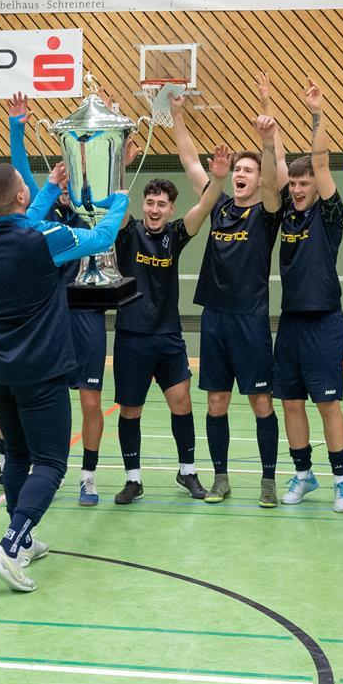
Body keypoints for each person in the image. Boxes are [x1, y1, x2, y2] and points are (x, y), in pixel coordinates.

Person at [0, 159, 128, 592]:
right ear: (20, 196)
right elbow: (101, 237)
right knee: (52, 461)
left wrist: (46, 188)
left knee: (18, 454)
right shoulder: (45, 240)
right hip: (38, 367)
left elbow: (23, 220)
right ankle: (8, 547)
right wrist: (118, 202)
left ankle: (21, 539)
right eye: (27, 187)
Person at [174, 78, 285, 505]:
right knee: (216, 401)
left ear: (258, 180)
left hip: (251, 318)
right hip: (215, 317)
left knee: (260, 402)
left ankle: (269, 480)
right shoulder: (217, 202)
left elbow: (277, 180)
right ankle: (220, 477)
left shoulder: (268, 211)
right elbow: (188, 159)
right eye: (237, 170)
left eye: (247, 171)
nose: (240, 175)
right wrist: (179, 114)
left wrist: (268, 137)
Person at [6, 92, 112, 506]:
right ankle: (33, 463)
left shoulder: (97, 209)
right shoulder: (45, 210)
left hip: (85, 314)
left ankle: (88, 475)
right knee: (39, 395)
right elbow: (20, 170)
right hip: (48, 318)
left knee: (90, 398)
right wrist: (17, 127)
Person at [110, 152, 225, 504]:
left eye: (162, 204)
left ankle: (187, 471)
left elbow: (204, 208)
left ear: (172, 209)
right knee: (131, 410)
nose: (155, 209)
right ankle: (133, 479)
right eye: (150, 202)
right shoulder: (128, 232)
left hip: (168, 335)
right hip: (131, 335)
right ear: (143, 205)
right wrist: (121, 160)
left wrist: (218, 178)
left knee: (182, 403)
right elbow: (117, 195)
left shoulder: (175, 235)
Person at [264, 81, 343, 512]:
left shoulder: (329, 215)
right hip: (291, 321)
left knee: (327, 402)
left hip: (325, 322)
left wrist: (317, 116)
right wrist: (268, 109)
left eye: (305, 183)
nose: (298, 188)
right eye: (294, 184)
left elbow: (320, 162)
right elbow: (278, 160)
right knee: (292, 402)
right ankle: (303, 474)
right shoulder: (285, 212)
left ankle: (341, 480)